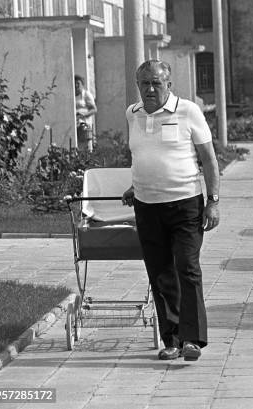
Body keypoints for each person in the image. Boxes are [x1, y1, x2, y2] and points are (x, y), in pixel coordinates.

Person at [121, 60, 220, 361]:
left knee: (187, 268)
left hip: (186, 203)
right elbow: (143, 156)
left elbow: (209, 160)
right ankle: (172, 339)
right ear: (138, 85)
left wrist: (213, 200)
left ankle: (193, 340)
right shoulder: (132, 113)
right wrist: (134, 187)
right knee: (160, 272)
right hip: (147, 206)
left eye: (156, 83)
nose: (150, 89)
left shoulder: (188, 111)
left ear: (169, 84)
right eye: (144, 83)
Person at [75, 75, 97, 152]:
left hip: (85, 124)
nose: (76, 85)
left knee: (86, 146)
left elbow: (94, 109)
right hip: (75, 125)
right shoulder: (73, 96)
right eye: (75, 83)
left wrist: (84, 114)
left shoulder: (86, 94)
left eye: (78, 83)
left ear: (82, 84)